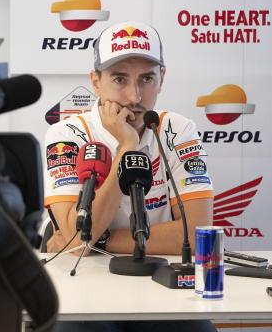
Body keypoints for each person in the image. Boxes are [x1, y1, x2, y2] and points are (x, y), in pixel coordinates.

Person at [43, 21, 217, 332]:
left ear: (162, 79)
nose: (134, 96)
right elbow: (74, 243)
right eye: (119, 79)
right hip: (87, 288)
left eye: (146, 79)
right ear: (96, 82)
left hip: (160, 285)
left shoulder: (180, 129)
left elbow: (197, 237)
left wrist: (102, 240)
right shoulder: (66, 134)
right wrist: (127, 145)